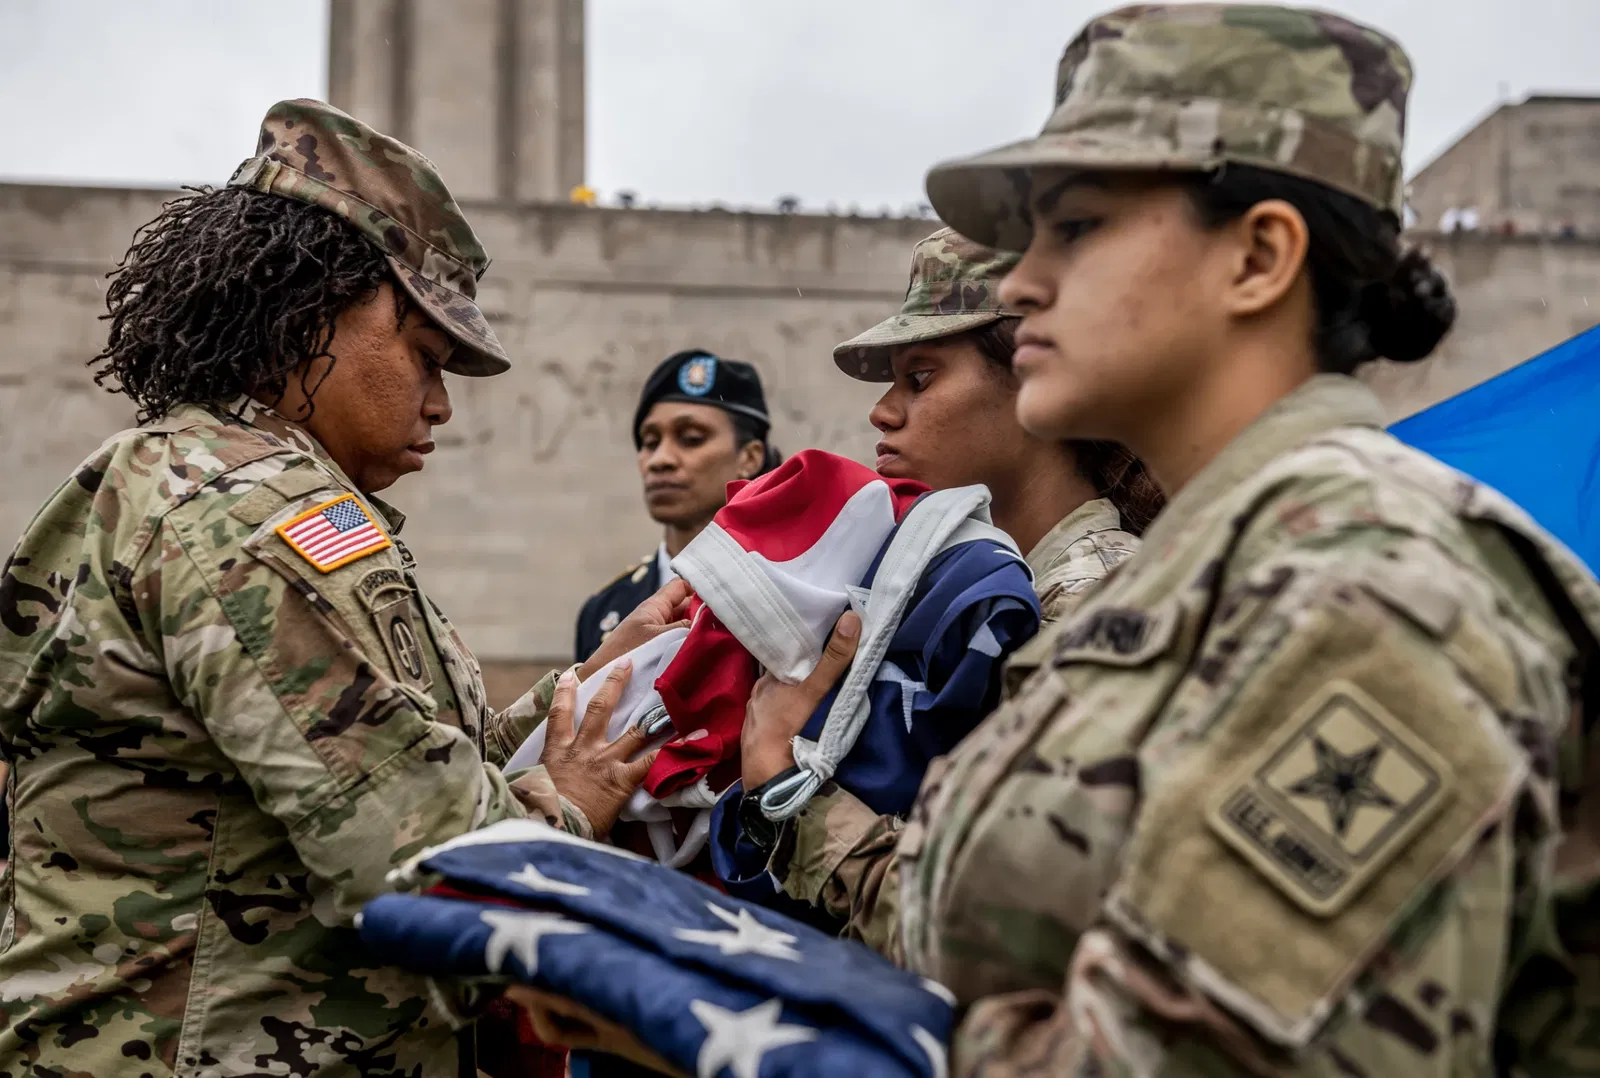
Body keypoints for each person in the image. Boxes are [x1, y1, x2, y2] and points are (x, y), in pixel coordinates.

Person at [727, 6, 1600, 1076]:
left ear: (1258, 256)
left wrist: (728, 1026)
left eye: (1078, 227)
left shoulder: (1373, 590)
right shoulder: (1212, 577)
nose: (1018, 284)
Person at [0, 99, 669, 1077]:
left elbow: (362, 753)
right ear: (305, 309)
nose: (441, 403)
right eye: (424, 355)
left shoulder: (199, 480)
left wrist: (584, 689)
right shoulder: (253, 515)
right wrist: (568, 805)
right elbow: (421, 865)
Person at [835, 226, 1161, 623]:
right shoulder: (991, 588)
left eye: (919, 378)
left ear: (1039, 383)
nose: (882, 413)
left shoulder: (1088, 604)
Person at [574, 350, 780, 661]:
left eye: (692, 438)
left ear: (749, 458)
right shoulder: (605, 609)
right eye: (650, 442)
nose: (660, 460)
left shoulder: (787, 590)